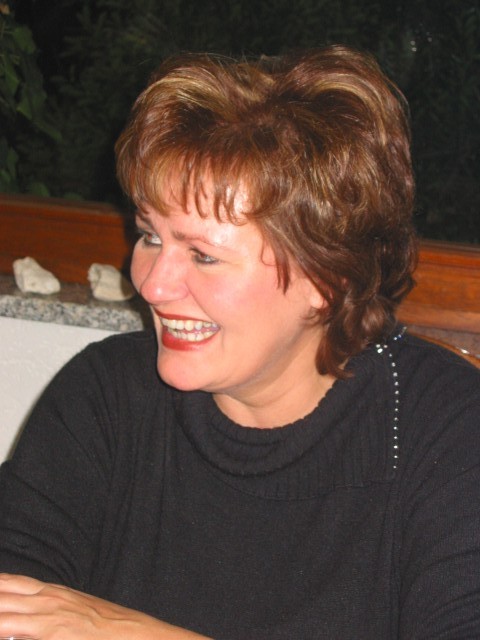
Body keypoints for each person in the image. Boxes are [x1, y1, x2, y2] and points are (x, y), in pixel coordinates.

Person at [0, 44, 479, 639]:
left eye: (203, 255)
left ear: (325, 279)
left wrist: (130, 632)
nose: (150, 284)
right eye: (150, 237)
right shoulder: (105, 395)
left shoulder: (447, 431)